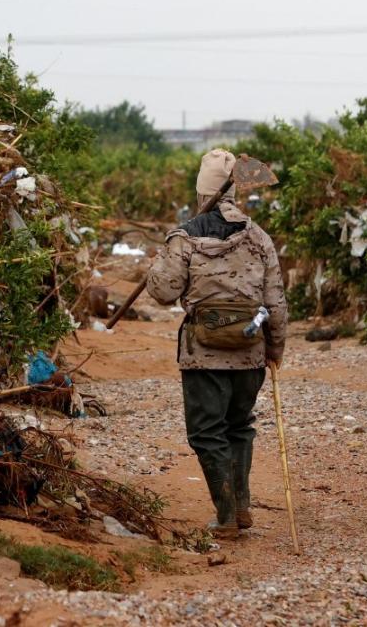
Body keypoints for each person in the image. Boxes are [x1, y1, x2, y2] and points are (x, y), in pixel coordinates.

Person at [146, 149, 287, 539]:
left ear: (199, 190)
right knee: (239, 426)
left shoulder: (186, 235)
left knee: (207, 432)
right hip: (249, 354)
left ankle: (226, 515)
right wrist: (275, 349)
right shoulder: (259, 237)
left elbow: (162, 290)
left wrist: (164, 255)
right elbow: (274, 301)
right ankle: (240, 504)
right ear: (233, 193)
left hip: (203, 356)